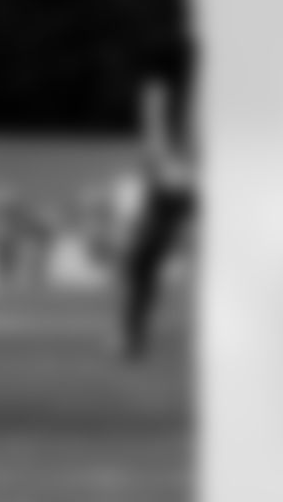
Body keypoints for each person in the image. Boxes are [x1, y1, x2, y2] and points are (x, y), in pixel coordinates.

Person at [116, 29, 197, 361]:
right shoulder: (164, 91)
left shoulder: (162, 91)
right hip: (173, 180)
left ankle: (134, 340)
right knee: (141, 263)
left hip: (176, 182)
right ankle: (133, 340)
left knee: (141, 263)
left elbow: (159, 138)